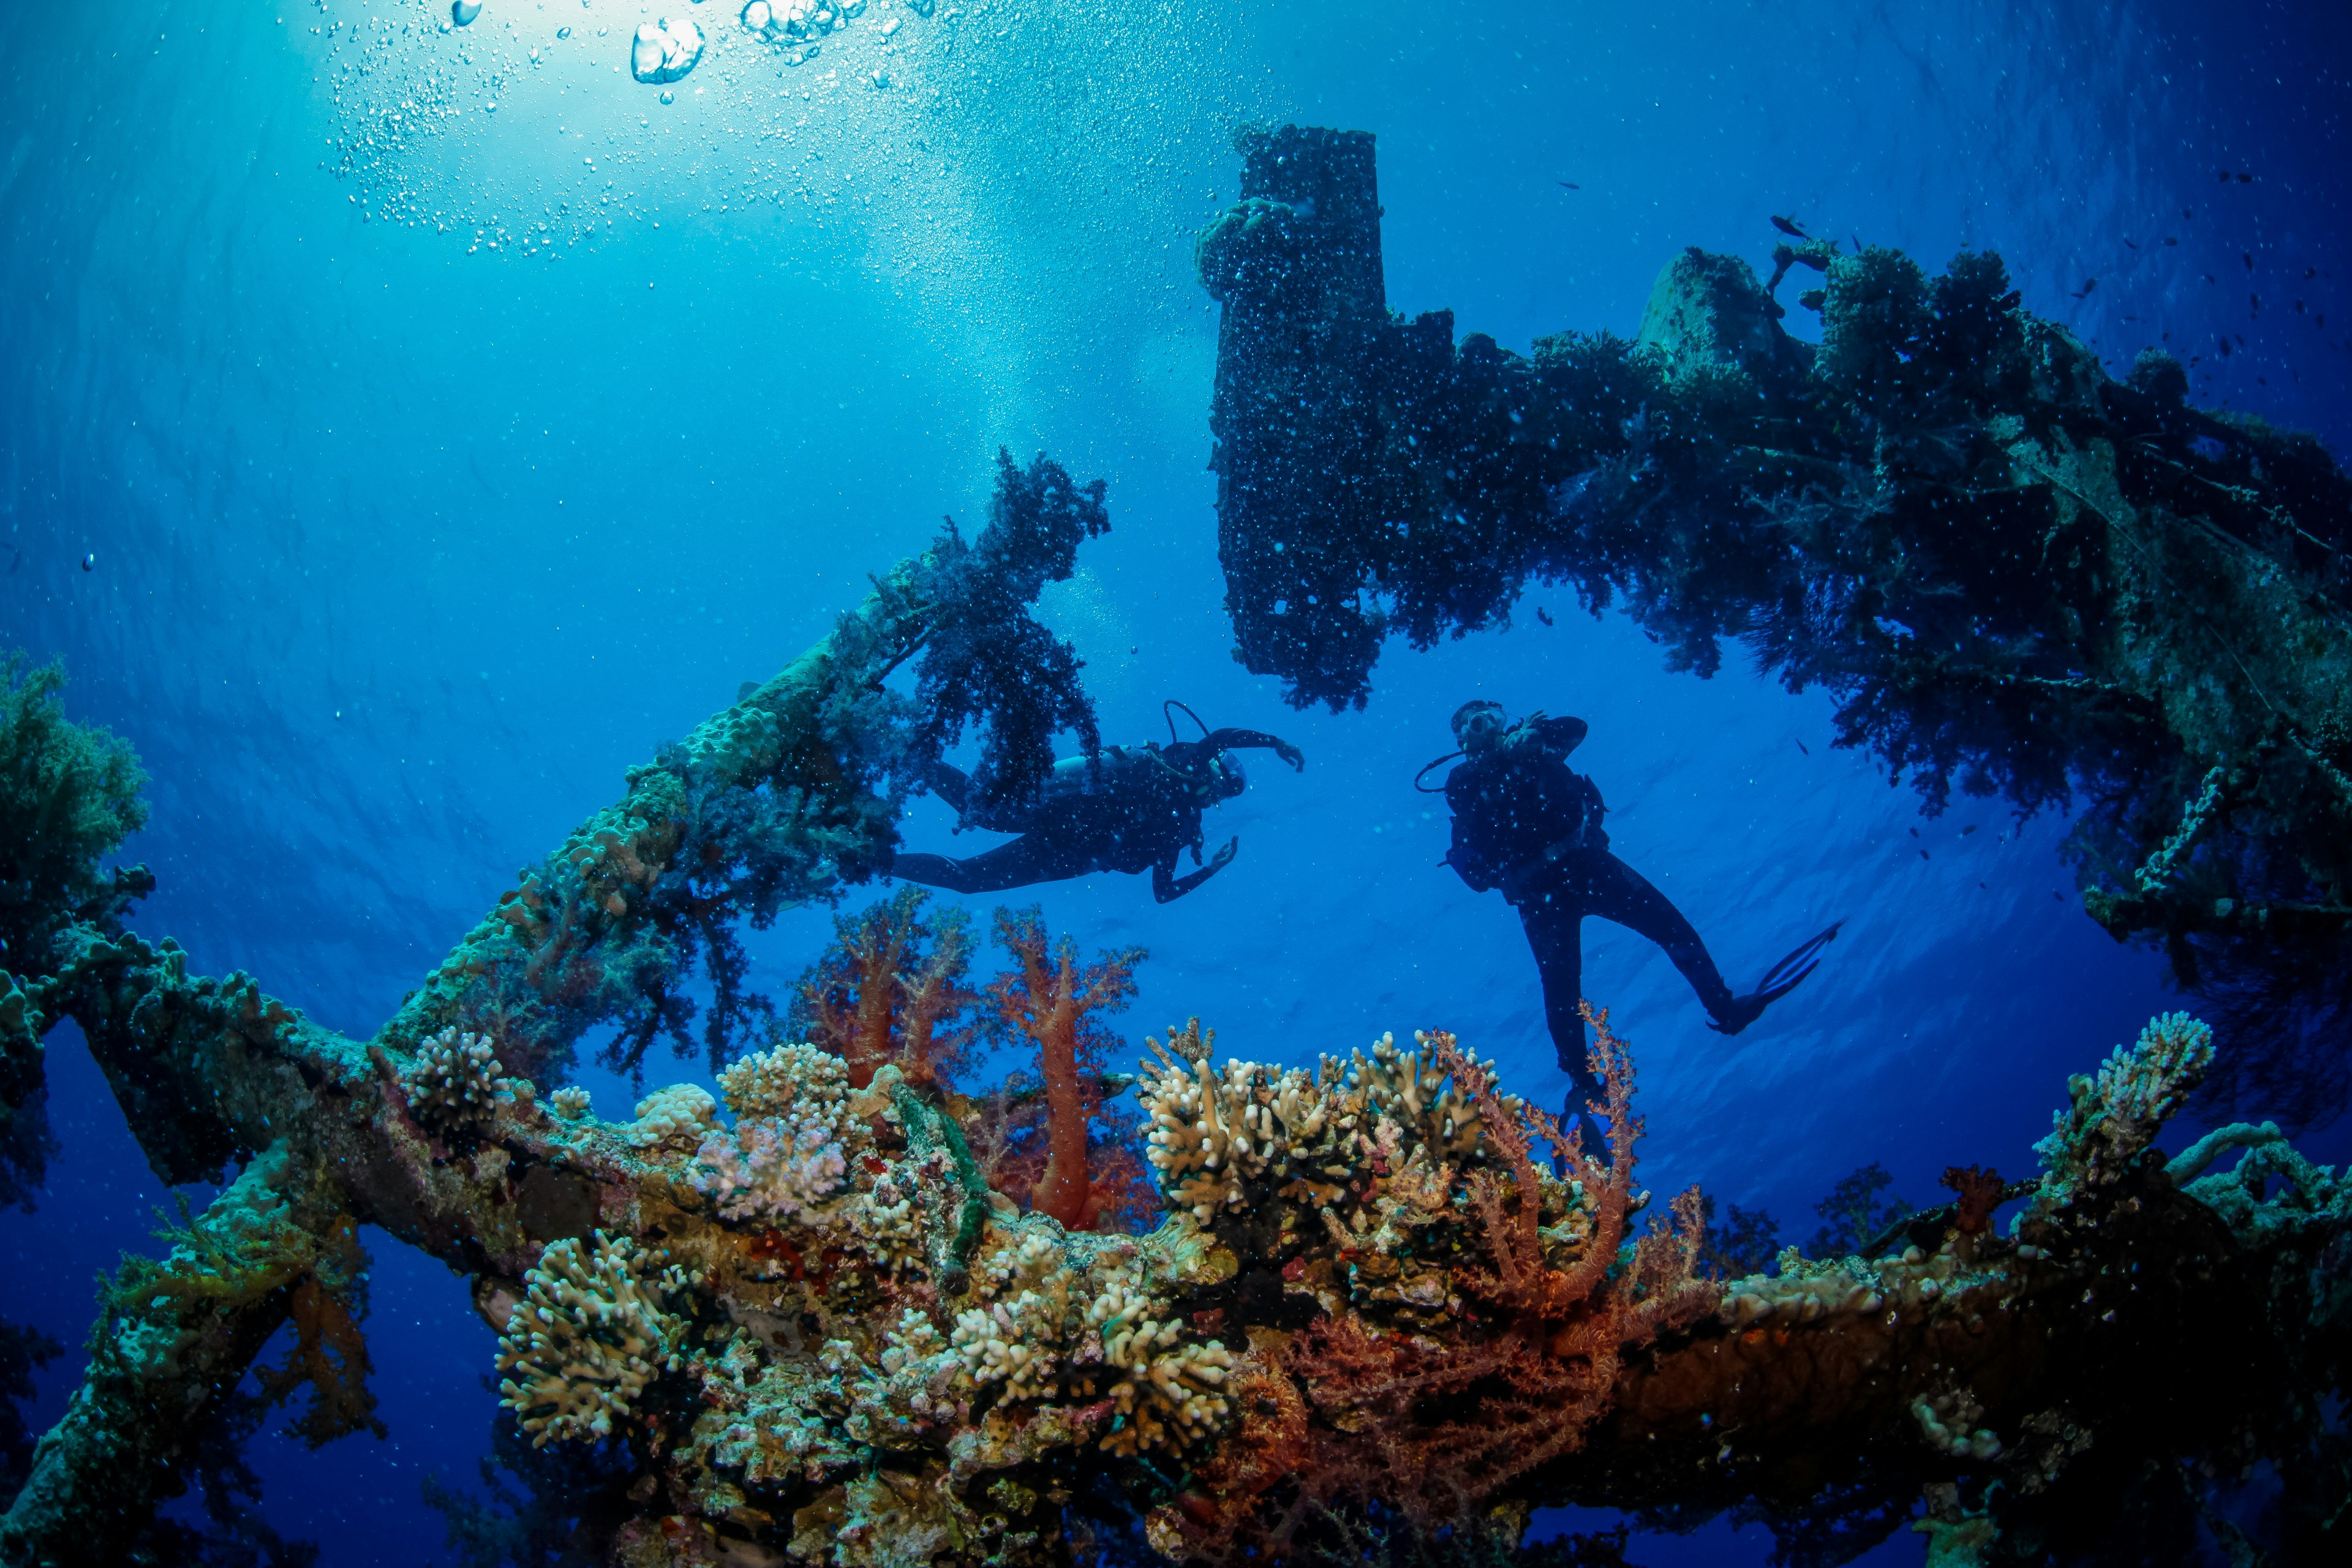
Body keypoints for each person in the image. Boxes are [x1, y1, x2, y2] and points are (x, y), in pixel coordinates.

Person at [1431, 699, 1838, 1104]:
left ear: (1505, 720)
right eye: (1474, 725)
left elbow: (1577, 727)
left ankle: (1724, 1007)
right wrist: (1502, 753)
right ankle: (1583, 1082)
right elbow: (1464, 802)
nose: (1485, 727)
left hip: (1588, 864)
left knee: (1671, 926)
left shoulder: (1537, 745)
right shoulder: (1462, 780)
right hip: (1538, 895)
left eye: (1491, 718)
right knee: (1561, 989)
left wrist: (1534, 738)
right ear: (1462, 739)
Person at [892, 704, 1305, 903]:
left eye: (1221, 795)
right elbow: (1220, 737)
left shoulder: (1183, 826)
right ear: (1211, 770)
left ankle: (878, 861)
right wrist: (1275, 742)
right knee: (981, 809)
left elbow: (1163, 892)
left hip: (1071, 853)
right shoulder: (1182, 764)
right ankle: (895, 748)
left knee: (968, 880)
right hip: (1066, 807)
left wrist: (1212, 868)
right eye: (1220, 782)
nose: (1214, 793)